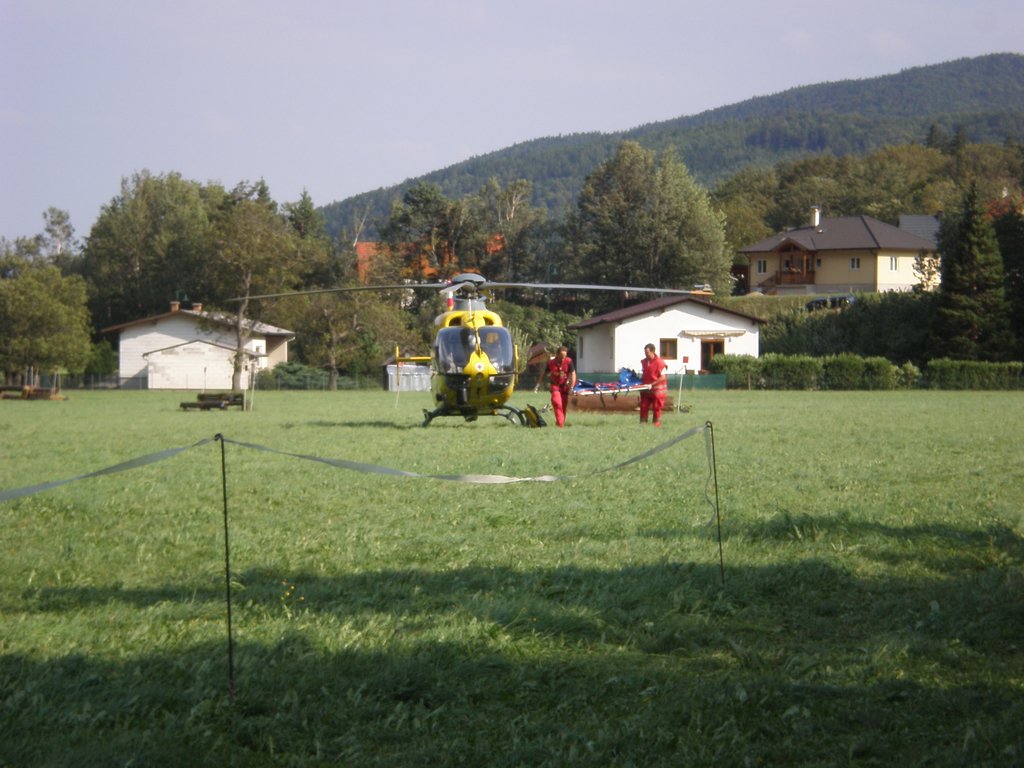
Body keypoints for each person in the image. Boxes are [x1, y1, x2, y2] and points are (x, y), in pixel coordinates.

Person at [538, 345, 576, 427]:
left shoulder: (569, 361)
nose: (563, 358)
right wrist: (538, 383)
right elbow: (544, 373)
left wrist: (571, 387)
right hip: (555, 386)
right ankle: (560, 424)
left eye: (565, 356)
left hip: (565, 387)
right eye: (561, 356)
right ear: (557, 354)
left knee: (563, 406)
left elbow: (573, 374)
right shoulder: (551, 363)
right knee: (557, 403)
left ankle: (560, 423)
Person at [640, 343, 668, 426]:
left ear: (652, 352)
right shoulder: (644, 362)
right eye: (645, 352)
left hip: (657, 391)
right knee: (643, 406)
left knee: (656, 408)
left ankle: (656, 425)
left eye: (647, 352)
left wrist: (652, 384)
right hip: (646, 390)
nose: (645, 354)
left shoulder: (660, 363)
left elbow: (663, 377)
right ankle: (642, 425)